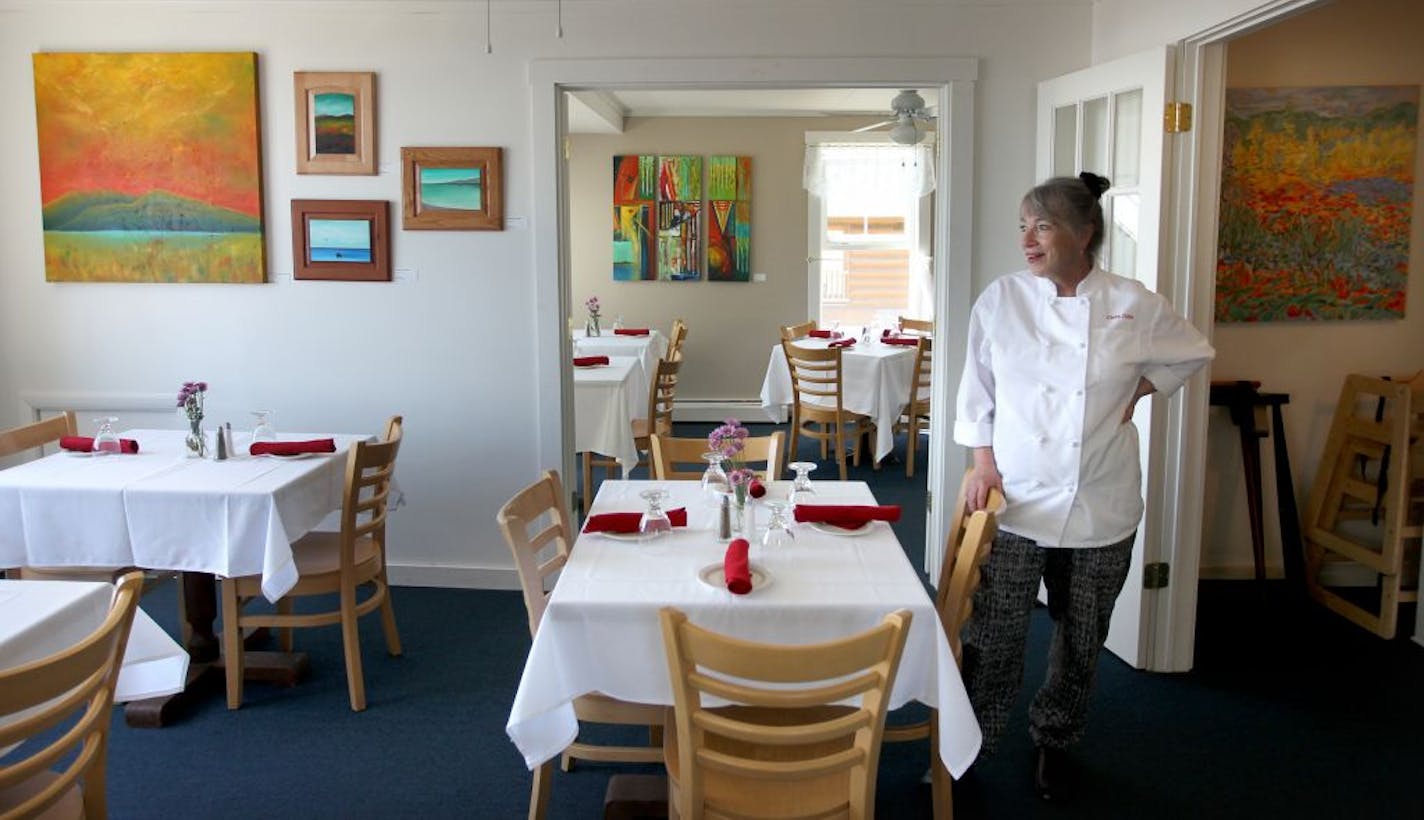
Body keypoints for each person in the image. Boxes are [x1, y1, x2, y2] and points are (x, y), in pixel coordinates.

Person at [953, 173, 1214, 800]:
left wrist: (1142, 389)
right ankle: (973, 742)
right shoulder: (1002, 299)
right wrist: (982, 461)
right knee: (994, 631)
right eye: (1022, 226)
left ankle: (1055, 741)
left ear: (1084, 232)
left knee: (1081, 633)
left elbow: (1193, 353)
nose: (1027, 240)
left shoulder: (1134, 302)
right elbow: (977, 389)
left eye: (1041, 226)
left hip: (1102, 499)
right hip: (1014, 497)